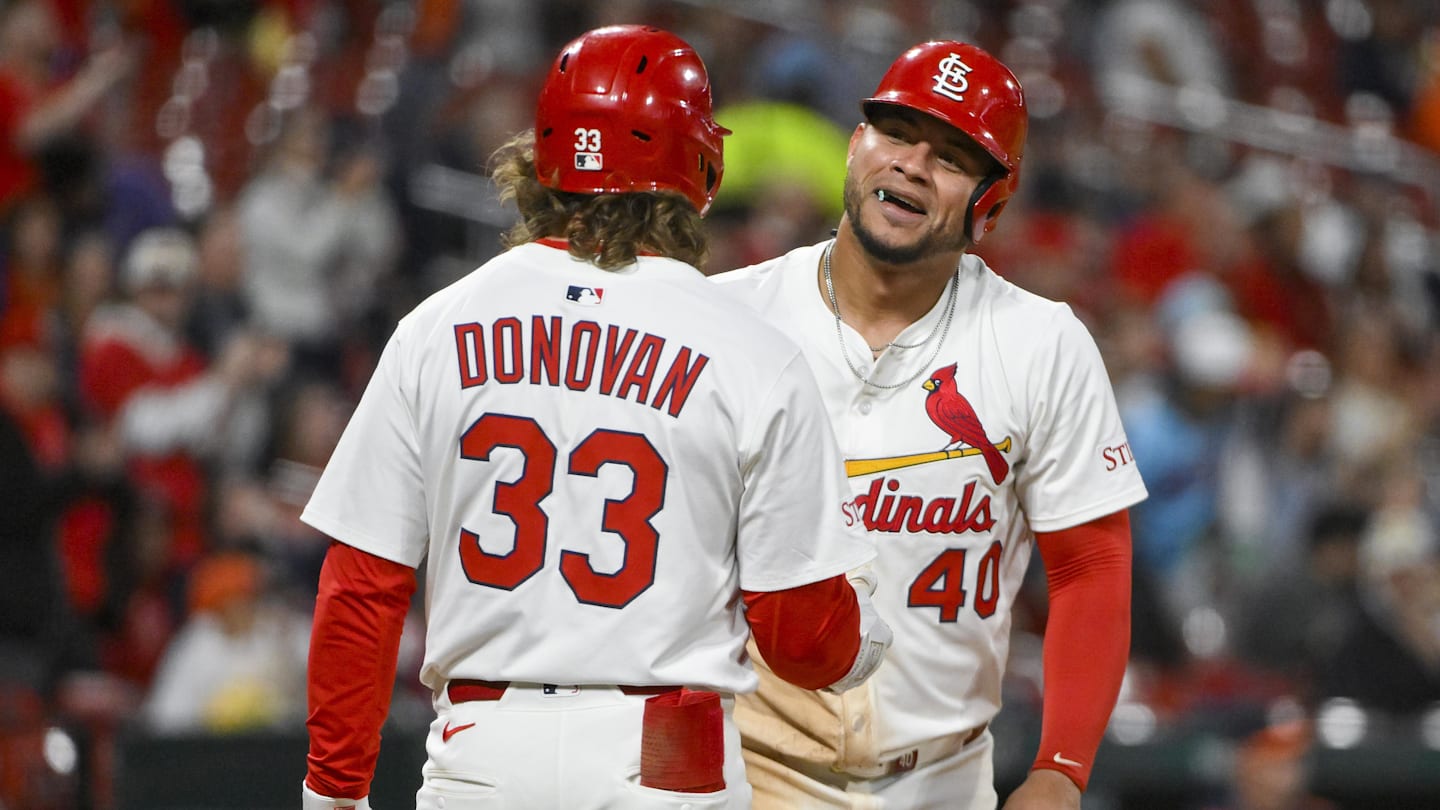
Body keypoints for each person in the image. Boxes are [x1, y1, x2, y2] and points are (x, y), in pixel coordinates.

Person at [299, 25, 890, 810]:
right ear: (699, 164)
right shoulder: (752, 351)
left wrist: (334, 793)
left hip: (482, 754)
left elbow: (362, 586)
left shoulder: (436, 327)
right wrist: (866, 639)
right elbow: (803, 635)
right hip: (663, 760)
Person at [712, 40, 1149, 809]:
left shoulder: (1039, 342)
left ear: (993, 204)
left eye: (950, 156)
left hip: (941, 780)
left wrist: (1062, 767)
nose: (911, 164)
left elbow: (1090, 567)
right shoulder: (731, 315)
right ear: (855, 145)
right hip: (747, 770)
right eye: (895, 132)